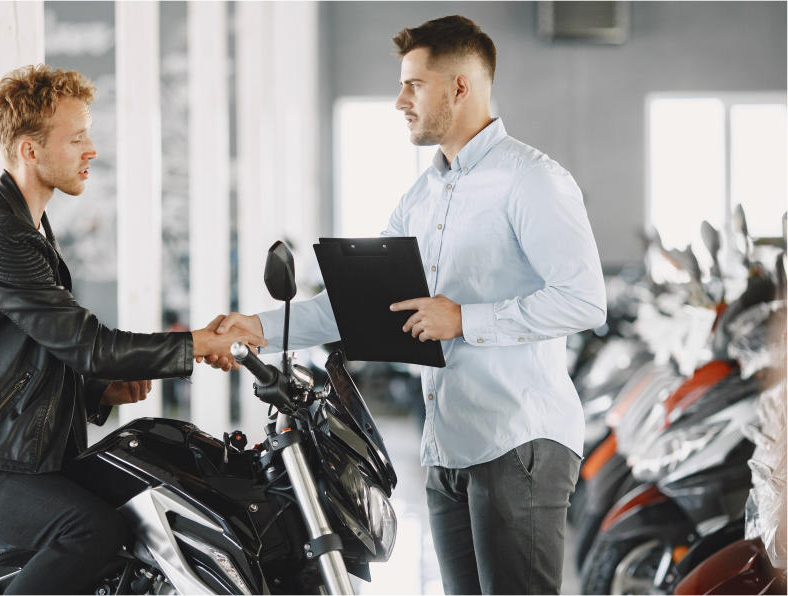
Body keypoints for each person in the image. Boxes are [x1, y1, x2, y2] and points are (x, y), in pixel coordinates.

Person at [208, 16, 606, 596]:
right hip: (447, 445)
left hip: (519, 442)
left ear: (460, 87)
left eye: (414, 85)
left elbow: (584, 299)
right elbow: (366, 307)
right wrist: (260, 329)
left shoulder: (531, 180)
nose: (400, 101)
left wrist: (465, 318)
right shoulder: (421, 198)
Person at [0, 64, 264, 596]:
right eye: (77, 137)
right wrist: (198, 343)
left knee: (149, 488)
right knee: (91, 531)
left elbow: (25, 359)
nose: (92, 150)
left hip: (14, 453)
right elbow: (86, 344)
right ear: (30, 151)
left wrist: (99, 389)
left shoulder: (28, 225)